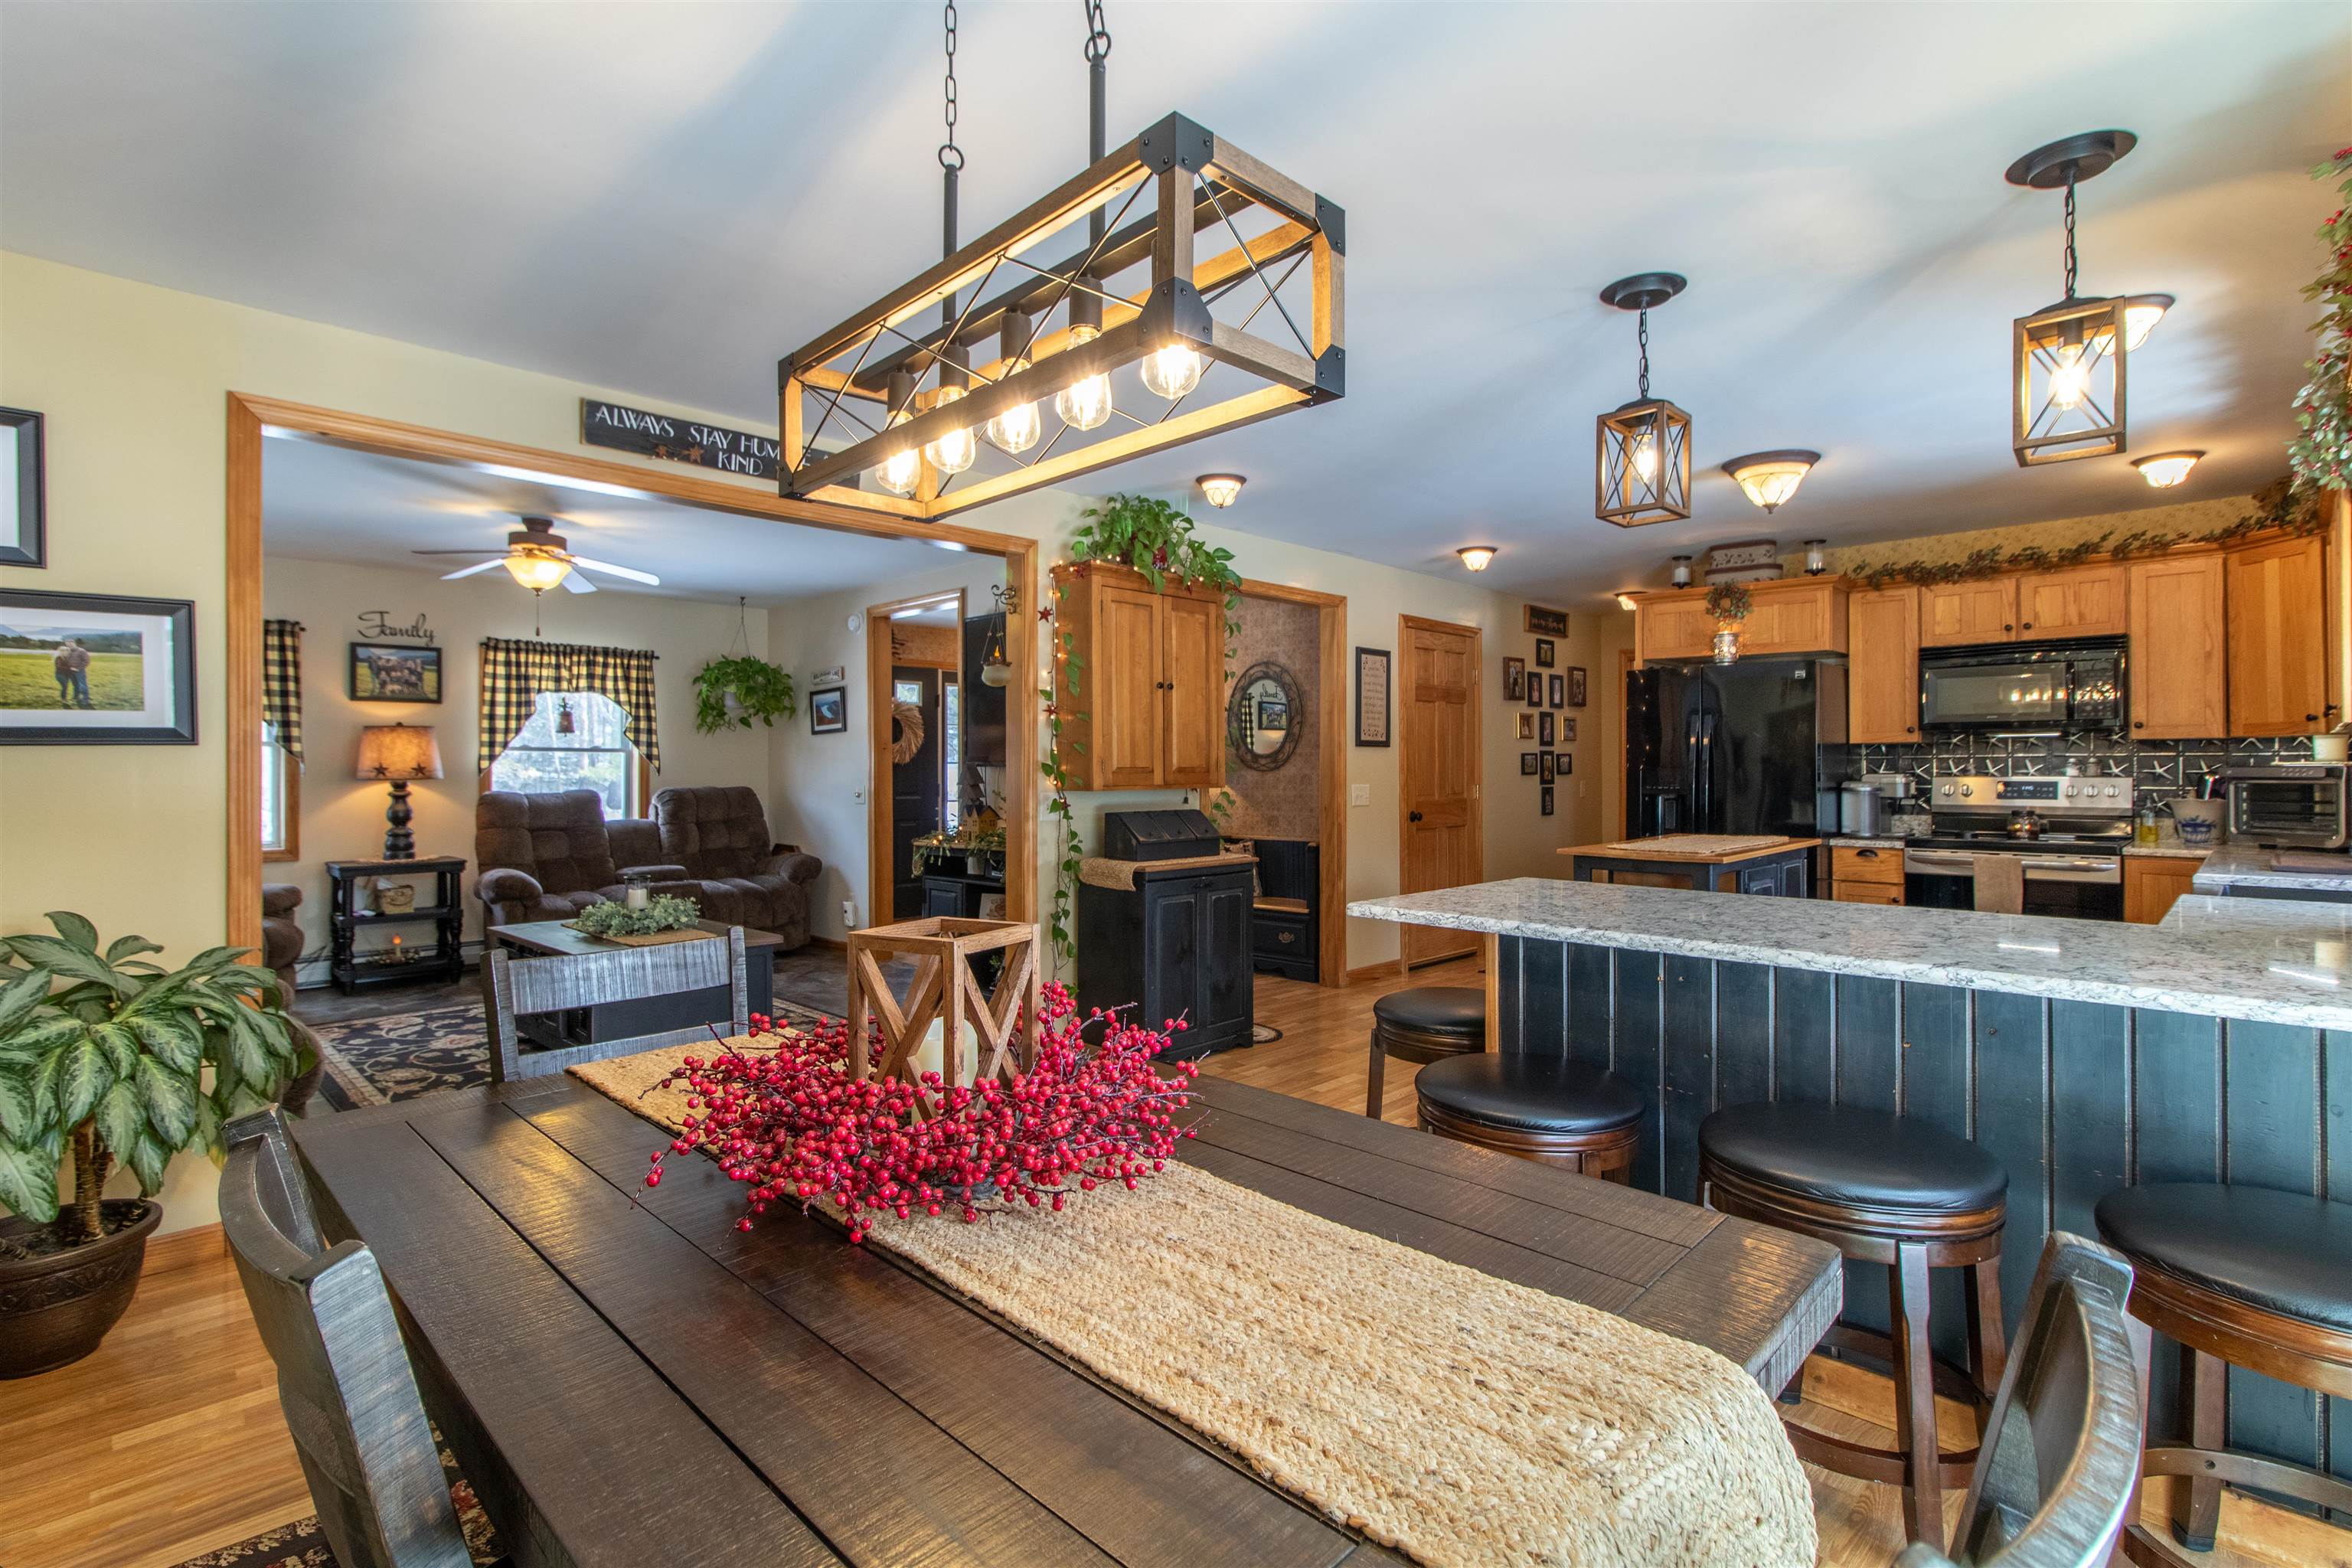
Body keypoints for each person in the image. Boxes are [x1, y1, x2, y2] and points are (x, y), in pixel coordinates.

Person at [53, 639, 92, 709]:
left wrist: (78, 668)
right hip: (70, 672)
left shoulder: (81, 651)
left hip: (80, 672)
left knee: (82, 685)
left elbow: (87, 661)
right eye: (68, 644)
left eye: (71, 643)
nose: (69, 645)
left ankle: (85, 700)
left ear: (74, 643)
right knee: (75, 686)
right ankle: (76, 698)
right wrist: (69, 669)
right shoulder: (68, 651)